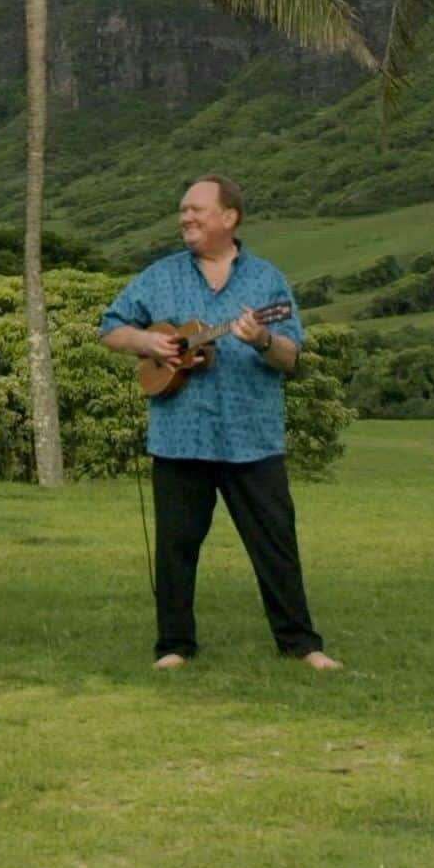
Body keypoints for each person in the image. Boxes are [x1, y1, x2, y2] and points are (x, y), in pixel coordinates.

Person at [100, 174, 340, 671]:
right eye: (183, 210)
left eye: (196, 210)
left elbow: (291, 355)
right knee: (175, 548)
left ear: (228, 218)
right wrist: (147, 343)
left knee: (275, 544)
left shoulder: (267, 281)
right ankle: (173, 646)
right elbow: (111, 327)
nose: (185, 218)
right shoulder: (160, 275)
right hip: (180, 434)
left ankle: (301, 645)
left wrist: (260, 340)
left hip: (252, 437)